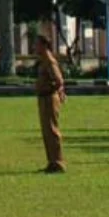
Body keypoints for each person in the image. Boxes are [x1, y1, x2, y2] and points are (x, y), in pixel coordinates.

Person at [34, 36, 66, 174]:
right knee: (46, 131)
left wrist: (49, 89)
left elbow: (58, 80)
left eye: (37, 44)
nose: (35, 47)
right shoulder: (43, 61)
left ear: (44, 45)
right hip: (43, 98)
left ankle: (58, 162)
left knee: (52, 130)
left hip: (49, 99)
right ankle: (51, 162)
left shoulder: (50, 61)